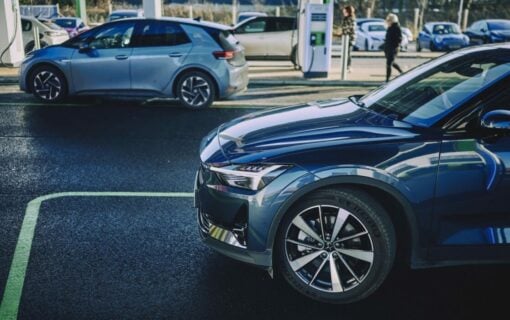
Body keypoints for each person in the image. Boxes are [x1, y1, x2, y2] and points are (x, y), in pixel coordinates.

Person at [384, 13, 403, 82]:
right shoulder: (390, 27)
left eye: (389, 20)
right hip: (388, 47)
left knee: (389, 63)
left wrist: (395, 45)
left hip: (393, 48)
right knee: (392, 62)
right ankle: (401, 72)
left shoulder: (396, 27)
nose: (388, 21)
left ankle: (387, 79)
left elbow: (399, 38)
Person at [340, 6, 356, 72]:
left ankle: (348, 66)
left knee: (348, 53)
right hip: (346, 38)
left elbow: (350, 29)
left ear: (348, 12)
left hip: (349, 38)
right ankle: (346, 66)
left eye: (345, 11)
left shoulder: (351, 19)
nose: (343, 12)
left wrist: (343, 31)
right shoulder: (346, 18)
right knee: (346, 53)